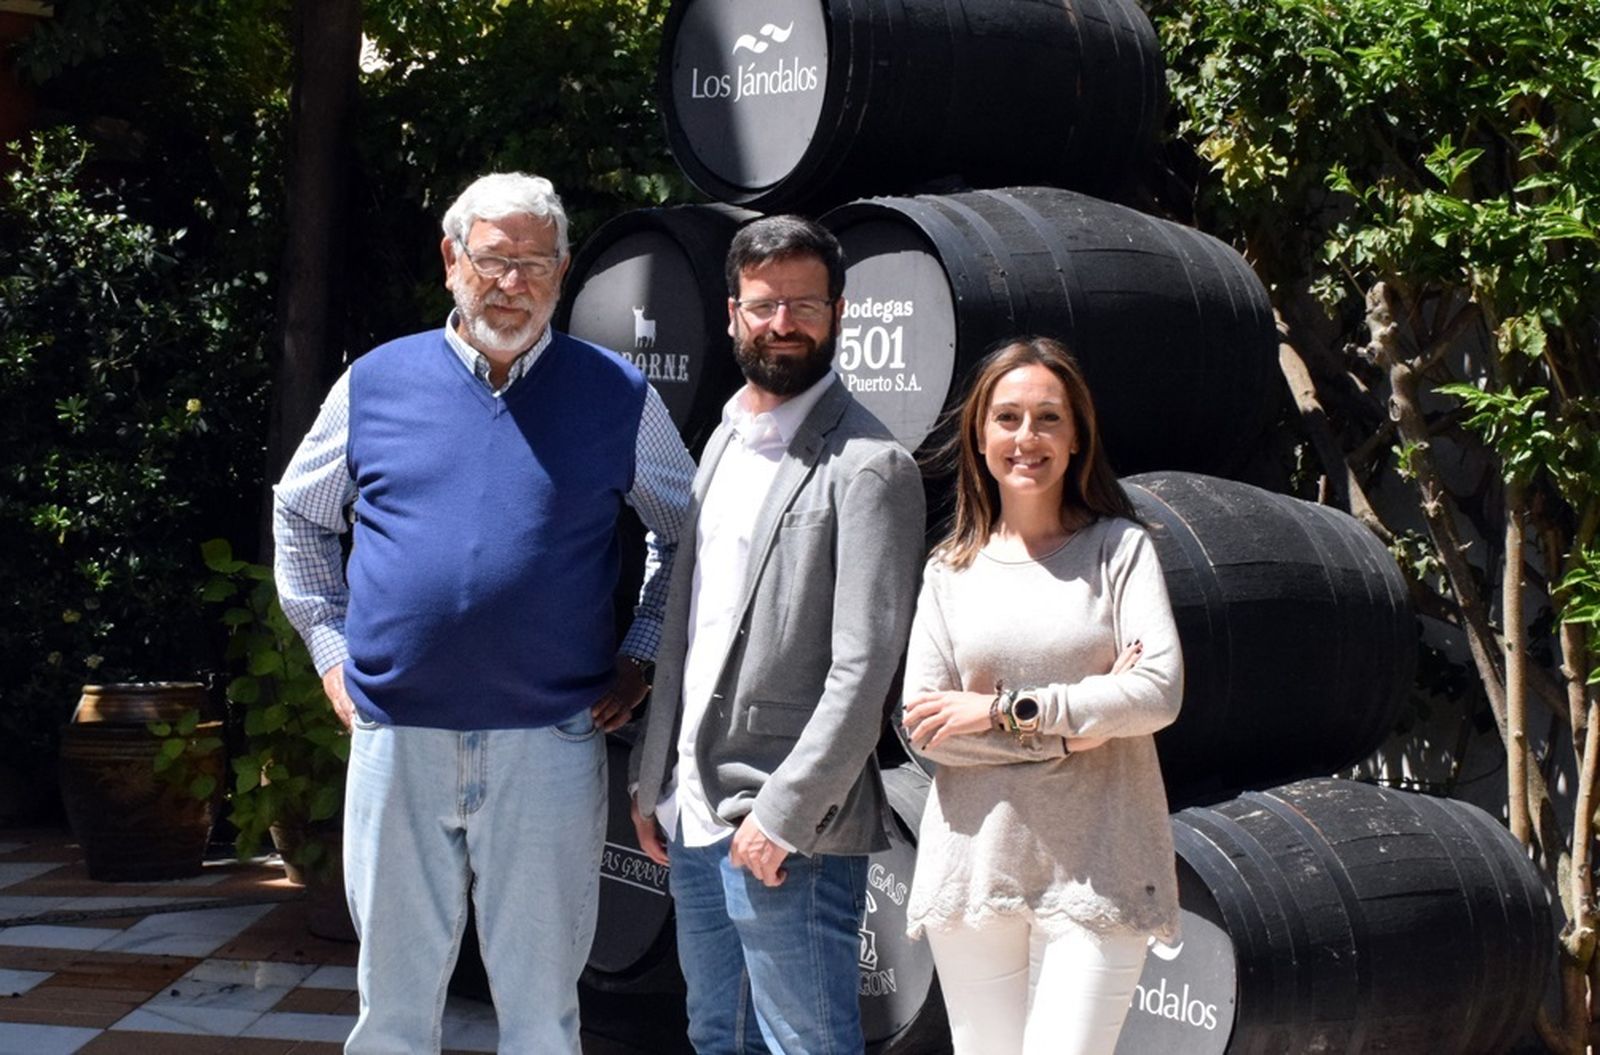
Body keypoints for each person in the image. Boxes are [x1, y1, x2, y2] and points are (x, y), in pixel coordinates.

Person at [272, 171, 695, 1054]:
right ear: (451, 261)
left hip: (550, 741)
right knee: (391, 1011)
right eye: (494, 259)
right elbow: (300, 515)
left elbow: (690, 534)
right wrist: (327, 644)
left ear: (565, 270)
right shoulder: (374, 383)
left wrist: (645, 648)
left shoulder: (617, 395)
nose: (514, 282)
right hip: (399, 736)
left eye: (535, 263)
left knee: (542, 1015)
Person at [627, 215, 925, 1054]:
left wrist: (784, 814)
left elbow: (865, 672)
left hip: (786, 827)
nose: (782, 324)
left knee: (807, 1043)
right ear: (732, 313)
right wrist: (655, 776)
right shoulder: (720, 441)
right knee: (714, 1034)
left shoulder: (870, 466)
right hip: (693, 809)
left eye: (804, 304)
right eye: (764, 305)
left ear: (838, 312)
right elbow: (687, 631)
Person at [900, 336, 1183, 1055]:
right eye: (1008, 417)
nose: (1027, 437)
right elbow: (926, 728)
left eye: (1048, 418)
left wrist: (1002, 709)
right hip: (977, 865)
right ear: (980, 433)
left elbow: (1157, 692)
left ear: (1077, 434)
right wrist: (1074, 725)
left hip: (1104, 866)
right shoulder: (949, 571)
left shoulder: (1120, 551)